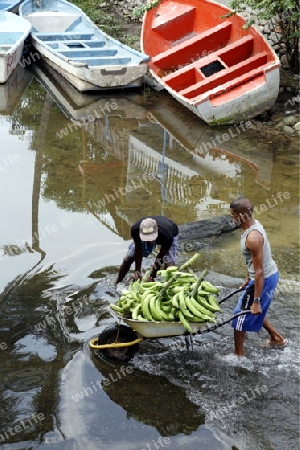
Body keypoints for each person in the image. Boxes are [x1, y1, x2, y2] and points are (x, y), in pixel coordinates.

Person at [229, 197, 286, 356]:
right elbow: (253, 262)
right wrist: (248, 277)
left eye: (232, 215)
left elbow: (259, 270)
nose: (231, 218)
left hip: (263, 278)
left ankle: (238, 356)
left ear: (241, 215)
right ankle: (277, 338)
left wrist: (256, 300)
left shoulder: (253, 237)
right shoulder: (250, 225)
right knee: (252, 310)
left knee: (238, 319)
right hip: (263, 276)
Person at [116, 216, 179, 284]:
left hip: (170, 233)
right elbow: (138, 250)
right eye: (147, 238)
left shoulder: (166, 235)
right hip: (147, 233)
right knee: (127, 259)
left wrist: (152, 276)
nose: (149, 240)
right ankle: (117, 282)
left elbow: (161, 257)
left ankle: (167, 286)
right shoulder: (135, 230)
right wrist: (137, 271)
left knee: (169, 264)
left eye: (151, 238)